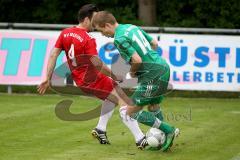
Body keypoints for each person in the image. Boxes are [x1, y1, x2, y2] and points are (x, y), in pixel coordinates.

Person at [37, 4, 148, 149]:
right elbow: (98, 64)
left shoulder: (65, 33)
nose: (96, 24)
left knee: (112, 97)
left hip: (80, 80)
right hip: (93, 78)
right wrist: (114, 75)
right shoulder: (87, 38)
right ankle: (140, 139)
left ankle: (100, 129)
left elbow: (53, 54)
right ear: (86, 19)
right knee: (123, 100)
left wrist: (47, 77)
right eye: (94, 19)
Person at [92, 11, 180, 151]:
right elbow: (154, 43)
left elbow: (137, 60)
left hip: (152, 74)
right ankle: (163, 137)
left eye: (100, 30)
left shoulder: (119, 38)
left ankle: (169, 130)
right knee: (153, 106)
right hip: (162, 67)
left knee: (130, 112)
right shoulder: (131, 27)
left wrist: (133, 72)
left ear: (107, 25)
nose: (102, 34)